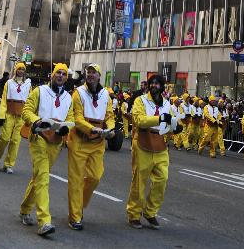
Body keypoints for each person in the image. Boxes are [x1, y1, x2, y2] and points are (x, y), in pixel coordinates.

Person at [19, 62, 74, 236]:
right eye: (58, 73)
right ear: (52, 74)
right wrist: (36, 121)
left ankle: (25, 208)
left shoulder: (68, 98)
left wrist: (67, 129)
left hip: (56, 143)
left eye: (64, 74)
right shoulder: (39, 91)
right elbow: (26, 111)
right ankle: (44, 221)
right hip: (39, 139)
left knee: (39, 178)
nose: (60, 76)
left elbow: (70, 117)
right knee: (43, 178)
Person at [126, 73, 180, 229]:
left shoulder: (167, 104)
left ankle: (150, 212)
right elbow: (139, 120)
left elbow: (169, 124)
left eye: (157, 83)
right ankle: (134, 214)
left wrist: (175, 129)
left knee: (162, 179)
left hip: (160, 145)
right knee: (139, 181)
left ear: (162, 86)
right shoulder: (140, 100)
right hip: (142, 142)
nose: (153, 86)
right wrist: (160, 118)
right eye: (151, 83)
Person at [67, 63, 115, 230]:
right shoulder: (78, 93)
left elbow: (109, 115)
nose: (91, 75)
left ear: (99, 76)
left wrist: (111, 128)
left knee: (95, 177)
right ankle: (75, 216)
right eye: (88, 72)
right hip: (79, 141)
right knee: (76, 180)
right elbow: (77, 118)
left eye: (94, 73)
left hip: (97, 143)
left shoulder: (105, 95)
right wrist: (91, 129)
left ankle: (79, 205)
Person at [0, 61, 31, 173]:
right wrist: (1, 115)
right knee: (5, 138)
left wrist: (29, 117)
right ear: (16, 70)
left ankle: (9, 164)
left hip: (21, 117)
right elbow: (4, 99)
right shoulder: (9, 83)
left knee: (15, 141)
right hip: (9, 114)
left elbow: (30, 101)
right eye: (19, 68)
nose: (21, 71)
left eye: (23, 69)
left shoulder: (28, 84)